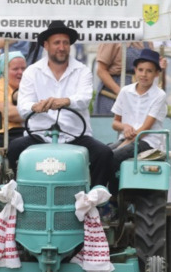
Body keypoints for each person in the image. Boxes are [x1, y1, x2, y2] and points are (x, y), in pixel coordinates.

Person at [9, 21, 114, 190]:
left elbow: (85, 98)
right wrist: (36, 107)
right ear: (46, 45)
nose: (62, 47)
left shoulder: (82, 70)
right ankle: (19, 196)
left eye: (65, 43)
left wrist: (65, 101)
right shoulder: (31, 72)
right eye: (57, 42)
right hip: (39, 136)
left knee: (104, 154)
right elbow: (23, 106)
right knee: (14, 148)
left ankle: (92, 200)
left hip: (75, 136)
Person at [107, 48, 167, 194]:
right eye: (140, 70)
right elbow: (115, 123)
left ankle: (114, 199)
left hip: (148, 141)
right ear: (135, 70)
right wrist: (124, 126)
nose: (144, 74)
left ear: (156, 74)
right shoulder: (125, 91)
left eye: (149, 71)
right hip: (127, 138)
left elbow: (146, 128)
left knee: (115, 157)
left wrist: (126, 142)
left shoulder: (159, 95)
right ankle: (99, 195)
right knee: (103, 154)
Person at [95, 40, 163, 114]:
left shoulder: (147, 40)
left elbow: (149, 68)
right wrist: (122, 93)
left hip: (139, 95)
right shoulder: (113, 38)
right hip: (113, 95)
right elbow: (101, 71)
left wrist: (159, 65)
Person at [0, 51, 27, 147]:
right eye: (15, 69)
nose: (21, 72)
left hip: (23, 132)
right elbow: (10, 114)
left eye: (23, 68)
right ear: (4, 71)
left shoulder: (28, 88)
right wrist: (38, 110)